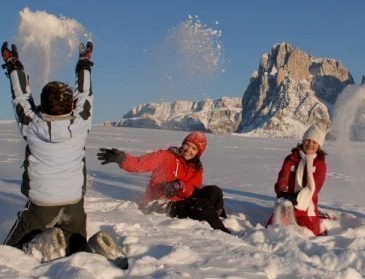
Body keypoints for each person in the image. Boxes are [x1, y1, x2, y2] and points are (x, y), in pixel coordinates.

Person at [2, 41, 95, 261]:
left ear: (41, 106)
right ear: (71, 105)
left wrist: (13, 65)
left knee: (8, 255)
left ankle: (35, 249)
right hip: (74, 203)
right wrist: (84, 62)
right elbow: (85, 92)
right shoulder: (82, 122)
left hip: (41, 206)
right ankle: (85, 254)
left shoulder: (31, 125)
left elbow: (21, 98)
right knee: (78, 253)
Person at [97, 132, 230, 233]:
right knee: (203, 206)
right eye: (187, 145)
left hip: (180, 199)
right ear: (183, 143)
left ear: (198, 153)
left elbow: (193, 188)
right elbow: (140, 164)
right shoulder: (166, 156)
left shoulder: (197, 167)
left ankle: (217, 216)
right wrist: (122, 158)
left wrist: (179, 186)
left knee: (214, 191)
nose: (189, 150)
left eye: (194, 149)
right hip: (159, 203)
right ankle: (222, 232)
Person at [267, 125, 328, 236]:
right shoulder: (290, 159)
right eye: (307, 141)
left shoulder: (320, 164)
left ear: (319, 146)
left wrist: (297, 197)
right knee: (272, 229)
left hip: (306, 203)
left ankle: (317, 218)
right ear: (302, 142)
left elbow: (315, 188)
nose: (310, 144)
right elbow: (282, 178)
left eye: (314, 142)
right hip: (286, 201)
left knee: (313, 233)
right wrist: (282, 192)